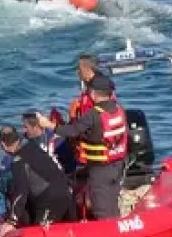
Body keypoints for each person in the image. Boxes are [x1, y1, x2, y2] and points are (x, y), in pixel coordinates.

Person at [37, 74, 127, 220]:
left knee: (101, 209)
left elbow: (72, 131)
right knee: (112, 203)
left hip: (101, 169)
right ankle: (116, 226)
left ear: (92, 93)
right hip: (117, 165)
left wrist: (48, 125)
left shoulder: (93, 114)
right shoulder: (119, 110)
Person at [0, 125, 75, 227]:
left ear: (3, 144)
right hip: (67, 192)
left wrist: (12, 220)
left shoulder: (18, 162)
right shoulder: (34, 146)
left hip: (50, 201)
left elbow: (21, 194)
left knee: (38, 232)